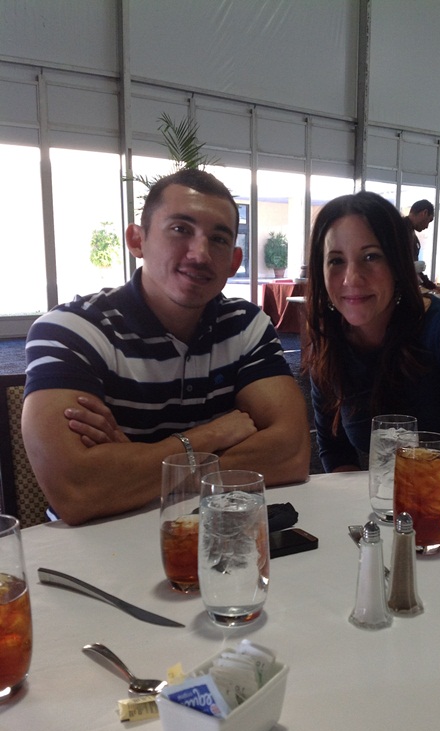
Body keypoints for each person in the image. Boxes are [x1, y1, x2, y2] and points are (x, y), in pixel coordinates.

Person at [22, 169, 311, 525]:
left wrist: (136, 465)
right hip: (98, 540)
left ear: (233, 261)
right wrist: (208, 436)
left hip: (215, 532)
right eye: (180, 230)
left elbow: (292, 454)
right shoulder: (73, 330)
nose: (200, 254)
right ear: (137, 240)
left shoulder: (246, 326)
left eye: (218, 239)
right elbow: (78, 491)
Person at [304, 191, 440, 472]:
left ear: (398, 264)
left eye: (371, 256)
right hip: (397, 505)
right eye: (336, 260)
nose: (352, 278)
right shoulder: (328, 343)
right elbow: (335, 451)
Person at [404, 199, 440, 297]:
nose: (427, 226)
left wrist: (434, 287)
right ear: (424, 213)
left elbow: (414, 268)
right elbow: (409, 266)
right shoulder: (401, 230)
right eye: (429, 220)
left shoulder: (408, 232)